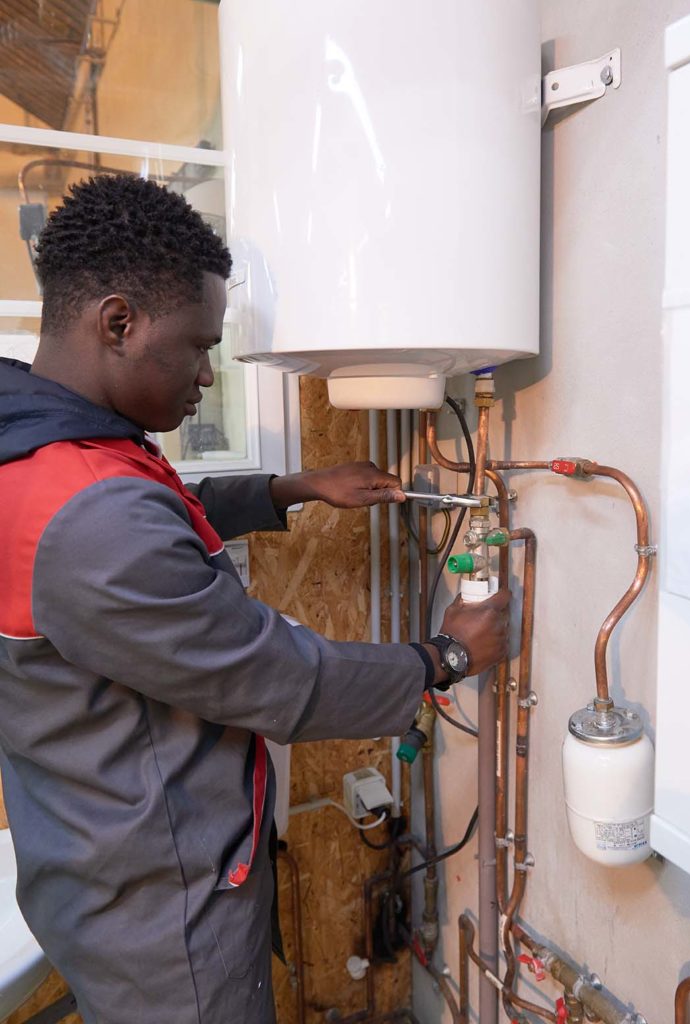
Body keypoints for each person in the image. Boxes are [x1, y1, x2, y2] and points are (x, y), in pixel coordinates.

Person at [0, 175, 509, 1024]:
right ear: (118, 322)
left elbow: (152, 504)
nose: (207, 373)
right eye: (198, 346)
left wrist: (291, 486)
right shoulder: (91, 517)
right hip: (162, 914)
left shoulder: (46, 445)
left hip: (98, 853)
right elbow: (275, 677)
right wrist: (446, 656)